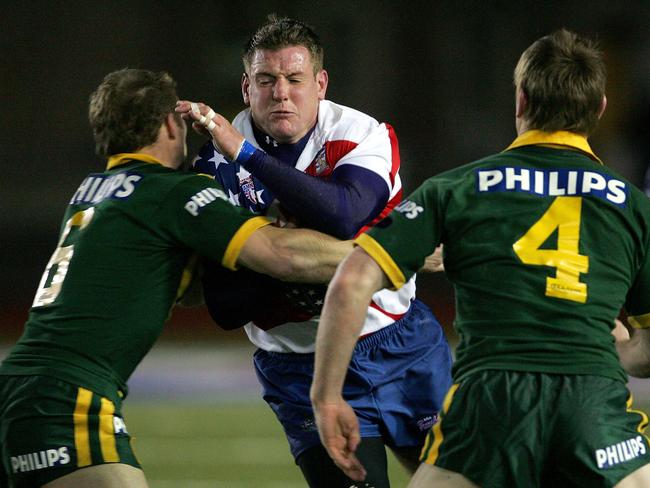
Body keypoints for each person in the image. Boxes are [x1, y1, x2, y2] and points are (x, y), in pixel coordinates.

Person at [310, 29, 650, 488]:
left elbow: (351, 283)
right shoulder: (634, 207)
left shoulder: (457, 188)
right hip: (593, 402)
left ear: (522, 102)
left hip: (490, 404)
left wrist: (326, 397)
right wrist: (609, 345)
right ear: (601, 108)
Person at [0, 68, 353, 488]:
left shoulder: (92, 189)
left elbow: (172, 288)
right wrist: (397, 253)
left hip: (17, 382)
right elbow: (281, 256)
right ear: (170, 123)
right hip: (63, 396)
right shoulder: (171, 191)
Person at [188, 14, 452, 488]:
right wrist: (298, 271)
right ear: (247, 87)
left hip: (397, 343)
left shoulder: (359, 132)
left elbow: (344, 213)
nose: (281, 92)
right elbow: (225, 305)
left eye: (295, 79)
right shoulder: (211, 162)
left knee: (469, 478)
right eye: (266, 80)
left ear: (321, 83)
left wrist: (268, 237)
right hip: (297, 362)